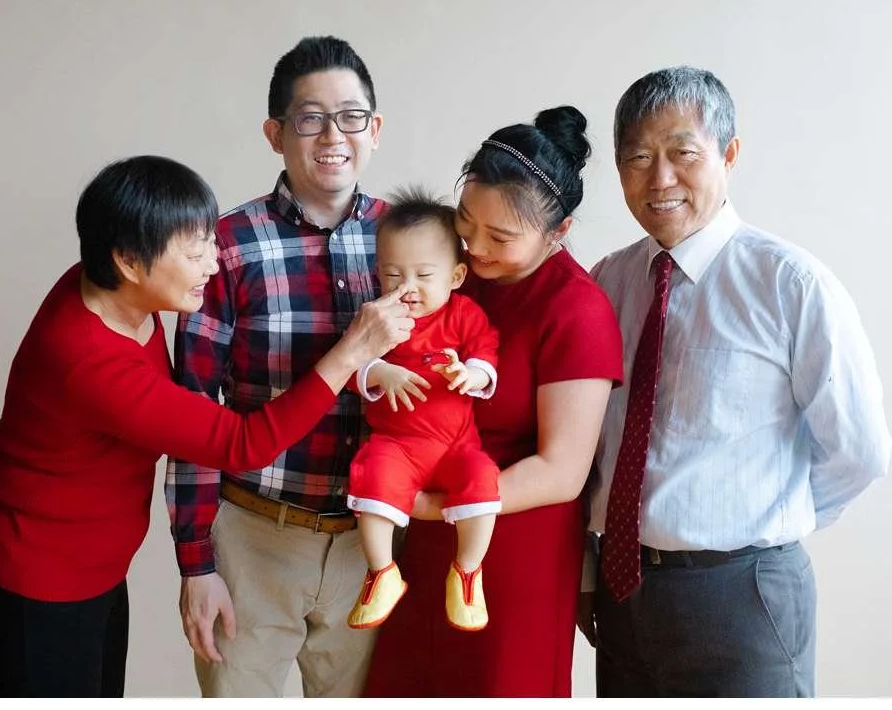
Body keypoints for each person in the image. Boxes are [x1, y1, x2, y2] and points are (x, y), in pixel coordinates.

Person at [0, 155, 411, 698]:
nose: (213, 262)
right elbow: (244, 444)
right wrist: (351, 352)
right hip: (41, 580)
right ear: (129, 260)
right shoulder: (88, 360)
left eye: (210, 241)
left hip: (95, 568)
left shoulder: (117, 294)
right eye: (194, 250)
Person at [581, 66, 892, 697]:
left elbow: (859, 452)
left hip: (743, 596)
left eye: (682, 154)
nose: (660, 178)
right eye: (638, 157)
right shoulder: (606, 283)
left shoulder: (790, 285)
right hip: (622, 592)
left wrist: (764, 525)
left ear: (729, 154)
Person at [363, 106, 625, 697]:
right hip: (428, 530)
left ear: (557, 232)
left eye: (501, 237)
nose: (475, 247)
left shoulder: (576, 310)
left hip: (513, 549)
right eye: (466, 222)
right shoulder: (454, 277)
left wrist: (429, 506)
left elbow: (562, 472)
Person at [163, 36, 392, 697]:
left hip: (368, 547)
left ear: (374, 129)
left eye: (351, 115)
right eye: (309, 117)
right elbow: (191, 414)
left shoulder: (407, 242)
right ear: (275, 133)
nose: (332, 134)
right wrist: (196, 566)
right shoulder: (227, 247)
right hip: (254, 538)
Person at [344, 188, 501, 633]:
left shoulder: (464, 315)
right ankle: (382, 572)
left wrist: (471, 374)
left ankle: (468, 571)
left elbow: (486, 353)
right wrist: (379, 373)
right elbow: (351, 364)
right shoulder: (377, 318)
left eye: (422, 275)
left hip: (456, 445)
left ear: (455, 276)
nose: (406, 288)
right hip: (398, 444)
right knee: (374, 473)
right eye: (393, 275)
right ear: (378, 275)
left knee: (482, 477)